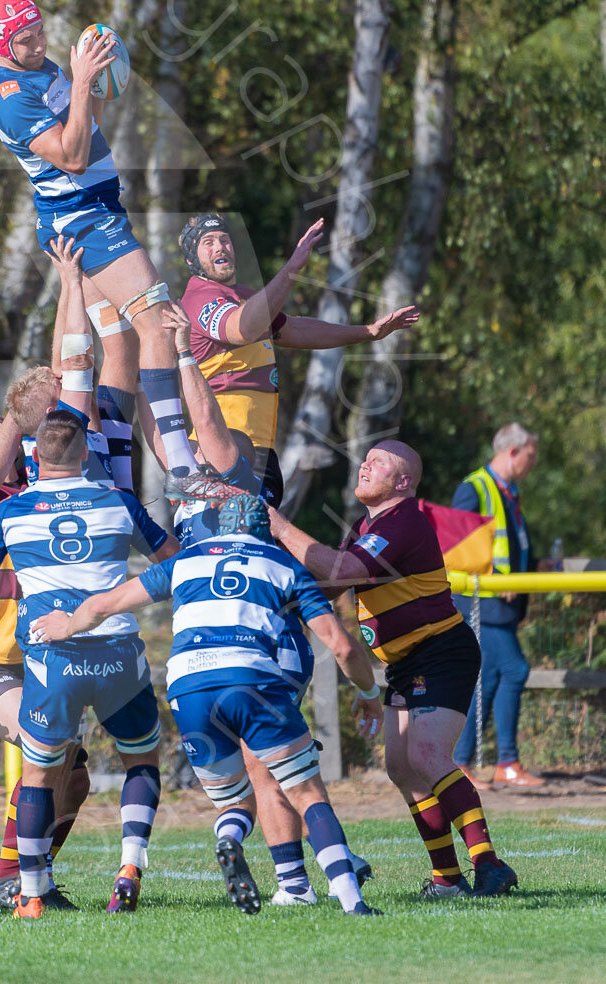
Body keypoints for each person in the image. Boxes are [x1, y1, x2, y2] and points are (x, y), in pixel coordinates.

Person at [29, 495, 383, 917]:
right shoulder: (285, 566)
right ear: (265, 528)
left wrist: (65, 626)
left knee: (236, 803)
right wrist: (368, 695)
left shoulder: (185, 561)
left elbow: (104, 605)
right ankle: (352, 901)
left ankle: (230, 838)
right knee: (307, 793)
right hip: (252, 681)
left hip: (188, 687)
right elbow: (342, 647)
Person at [147, 304, 370, 904]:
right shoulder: (226, 485)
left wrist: (144, 339)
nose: (216, 440)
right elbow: (186, 416)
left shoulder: (197, 495)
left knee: (256, 774)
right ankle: (314, 878)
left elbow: (166, 415)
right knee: (283, 770)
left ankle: (292, 875)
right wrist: (182, 349)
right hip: (263, 641)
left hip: (203, 643)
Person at [0, 0, 228, 500]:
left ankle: (117, 470)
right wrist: (85, 81)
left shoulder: (39, 66)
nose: (39, 43)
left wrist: (95, 84)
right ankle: (181, 465)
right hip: (83, 218)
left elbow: (83, 120)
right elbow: (70, 155)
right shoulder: (9, 95)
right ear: (2, 44)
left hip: (93, 211)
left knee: (121, 342)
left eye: (41, 31)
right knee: (158, 320)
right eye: (26, 39)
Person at [0, 410, 179, 918]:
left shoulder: (9, 515)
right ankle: (129, 866)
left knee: (38, 775)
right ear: (85, 456)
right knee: (140, 760)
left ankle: (29, 895)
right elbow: (174, 563)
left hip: (53, 661)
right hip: (119, 653)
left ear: (33, 457)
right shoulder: (120, 503)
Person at [268, 441, 518, 898]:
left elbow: (343, 570)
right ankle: (447, 878)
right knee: (402, 768)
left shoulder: (403, 520)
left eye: (377, 462)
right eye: (365, 459)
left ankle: (489, 865)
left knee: (426, 756)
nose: (365, 464)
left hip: (442, 651)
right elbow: (326, 583)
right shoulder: (367, 527)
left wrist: (280, 526)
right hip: (407, 663)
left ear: (402, 482)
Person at [0, 401, 92, 910]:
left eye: (0, 419)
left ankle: (37, 875)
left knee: (75, 777)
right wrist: (17, 406)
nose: (1, 428)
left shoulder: (46, 494)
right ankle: (12, 878)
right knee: (41, 744)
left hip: (40, 661)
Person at [177, 213, 420, 503]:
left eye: (225, 240)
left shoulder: (242, 295)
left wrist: (368, 331)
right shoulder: (199, 298)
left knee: (261, 543)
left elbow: (296, 329)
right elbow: (241, 328)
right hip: (224, 449)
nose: (220, 247)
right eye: (208, 242)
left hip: (259, 449)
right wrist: (291, 268)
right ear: (192, 260)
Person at [451, 422, 552, 788]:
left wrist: (535, 563)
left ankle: (460, 763)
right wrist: (495, 575)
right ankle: (506, 761)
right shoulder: (475, 488)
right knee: (515, 670)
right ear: (513, 452)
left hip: (504, 605)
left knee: (491, 678)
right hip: (484, 603)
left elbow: (512, 542)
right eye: (530, 455)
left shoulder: (510, 491)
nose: (533, 462)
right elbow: (457, 547)